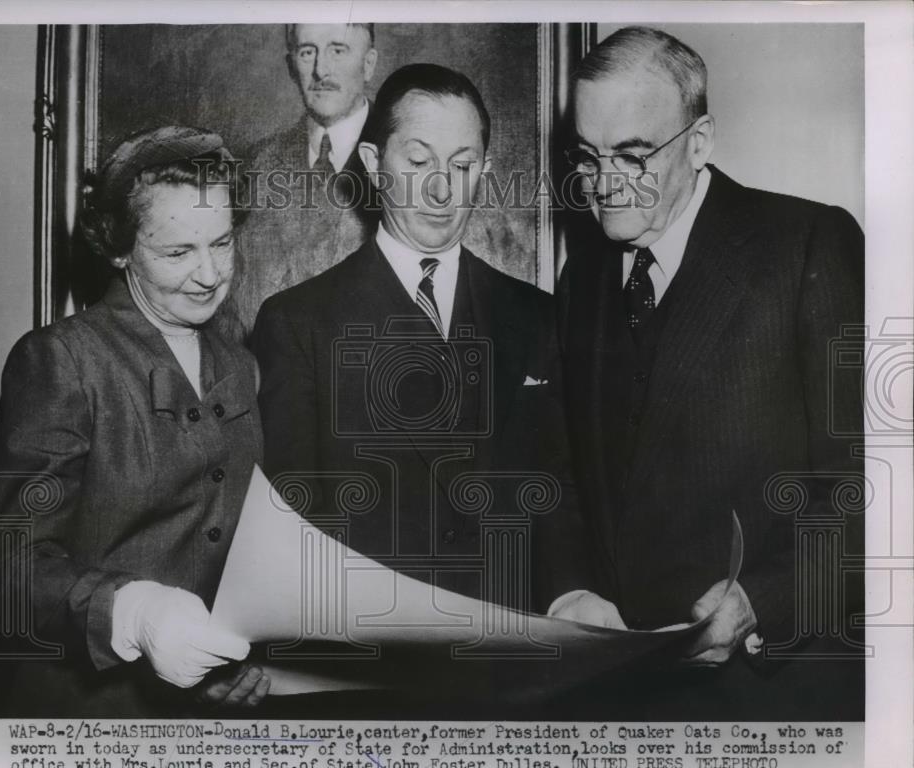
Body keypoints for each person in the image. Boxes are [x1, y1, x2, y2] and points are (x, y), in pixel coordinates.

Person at [556, 27, 864, 717]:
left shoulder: (809, 245)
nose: (604, 183)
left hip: (775, 692)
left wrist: (762, 602)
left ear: (699, 143)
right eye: (588, 155)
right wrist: (571, 593)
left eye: (633, 156)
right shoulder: (583, 282)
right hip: (622, 692)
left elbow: (873, 497)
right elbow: (570, 476)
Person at [252, 63, 586, 633]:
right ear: (375, 165)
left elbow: (555, 487)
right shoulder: (298, 322)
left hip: (513, 654)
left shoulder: (537, 316)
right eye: (418, 161)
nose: (441, 188)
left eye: (461, 166)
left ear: (484, 170)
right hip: (373, 654)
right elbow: (294, 520)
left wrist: (572, 595)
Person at [0, 126, 270, 716]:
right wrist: (135, 614)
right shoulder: (62, 358)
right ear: (119, 248)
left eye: (221, 243)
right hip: (92, 710)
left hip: (206, 713)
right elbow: (9, 570)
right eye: (177, 252)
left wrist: (231, 661)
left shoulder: (240, 364)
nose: (210, 274)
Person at [218, 23, 379, 342]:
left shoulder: (409, 162)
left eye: (338, 49)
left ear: (369, 63)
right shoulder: (254, 166)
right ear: (291, 66)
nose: (321, 70)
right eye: (308, 52)